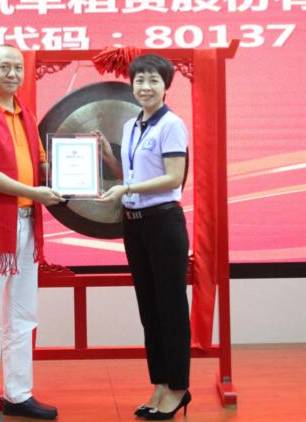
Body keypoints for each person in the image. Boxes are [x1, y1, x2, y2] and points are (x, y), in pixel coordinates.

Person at [0, 45, 63, 421]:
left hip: (25, 224)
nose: (13, 73)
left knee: (22, 315)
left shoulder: (25, 116)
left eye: (18, 67)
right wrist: (34, 193)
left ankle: (18, 394)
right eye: (4, 66)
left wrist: (87, 158)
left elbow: (41, 165)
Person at [98, 54, 192, 419]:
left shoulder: (172, 125)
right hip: (134, 225)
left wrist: (127, 187)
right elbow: (132, 175)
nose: (145, 87)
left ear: (165, 86)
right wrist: (109, 158)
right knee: (149, 310)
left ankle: (179, 388)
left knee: (171, 309)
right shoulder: (131, 125)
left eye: (153, 80)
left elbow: (173, 178)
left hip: (163, 223)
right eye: (139, 80)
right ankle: (160, 384)